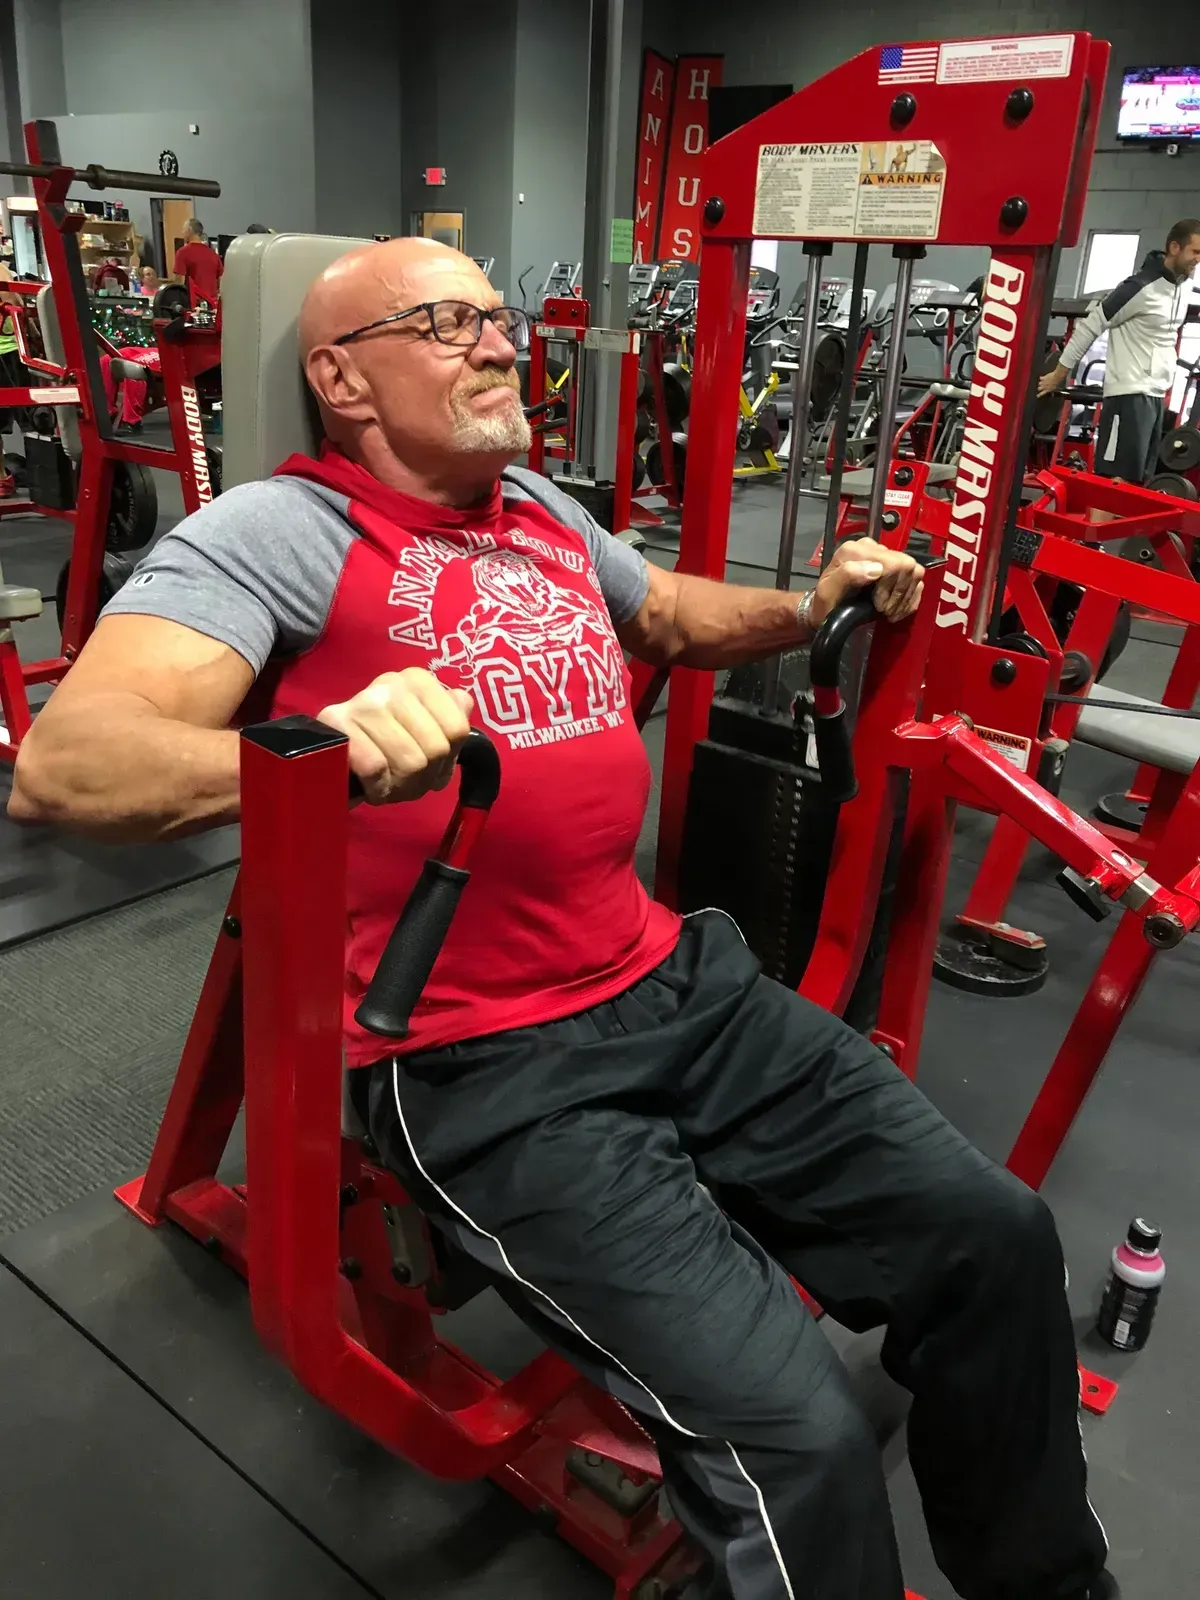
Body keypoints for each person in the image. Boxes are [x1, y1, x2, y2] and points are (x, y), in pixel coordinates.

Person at [8, 239, 1113, 1600]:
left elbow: (673, 616)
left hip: (674, 978)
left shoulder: (534, 506)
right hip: (483, 1063)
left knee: (998, 1237)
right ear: (341, 379)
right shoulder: (275, 532)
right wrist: (314, 743)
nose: (498, 343)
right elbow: (69, 763)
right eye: (448, 321)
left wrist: (807, 603)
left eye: (496, 316)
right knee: (799, 1439)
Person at [1039, 218, 1200, 484]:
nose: (1198, 259)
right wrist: (1059, 373)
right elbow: (1090, 326)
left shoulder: (1183, 286)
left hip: (1155, 396)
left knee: (1138, 482)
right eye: (1195, 251)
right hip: (1128, 395)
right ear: (1175, 248)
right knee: (1116, 481)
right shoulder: (1138, 287)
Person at [172, 217, 222, 309]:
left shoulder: (182, 253)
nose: (182, 232)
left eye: (183, 229)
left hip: (194, 306)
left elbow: (179, 284)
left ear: (190, 230)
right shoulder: (213, 254)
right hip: (212, 306)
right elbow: (221, 282)